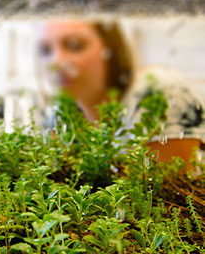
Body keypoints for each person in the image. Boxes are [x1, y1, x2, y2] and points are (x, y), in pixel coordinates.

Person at [35, 19, 205, 168]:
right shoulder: (61, 116)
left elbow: (169, 198)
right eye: (45, 51)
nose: (55, 62)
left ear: (110, 47)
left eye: (75, 45)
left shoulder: (158, 93)